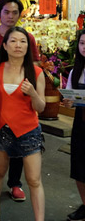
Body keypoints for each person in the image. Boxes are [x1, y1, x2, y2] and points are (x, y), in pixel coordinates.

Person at [0, 0, 40, 202]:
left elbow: (35, 65)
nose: (10, 16)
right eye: (6, 12)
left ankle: (15, 183)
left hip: (21, 100)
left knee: (20, 143)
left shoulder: (27, 37)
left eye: (15, 12)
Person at [0, 27, 45, 221]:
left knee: (34, 179)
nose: (18, 45)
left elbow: (41, 107)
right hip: (0, 128)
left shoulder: (36, 72)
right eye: (13, 41)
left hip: (28, 131)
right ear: (4, 45)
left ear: (28, 46)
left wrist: (33, 93)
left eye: (23, 41)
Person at [64, 29, 85, 221]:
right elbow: (70, 99)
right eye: (82, 43)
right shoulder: (75, 71)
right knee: (79, 167)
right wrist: (68, 102)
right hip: (81, 124)